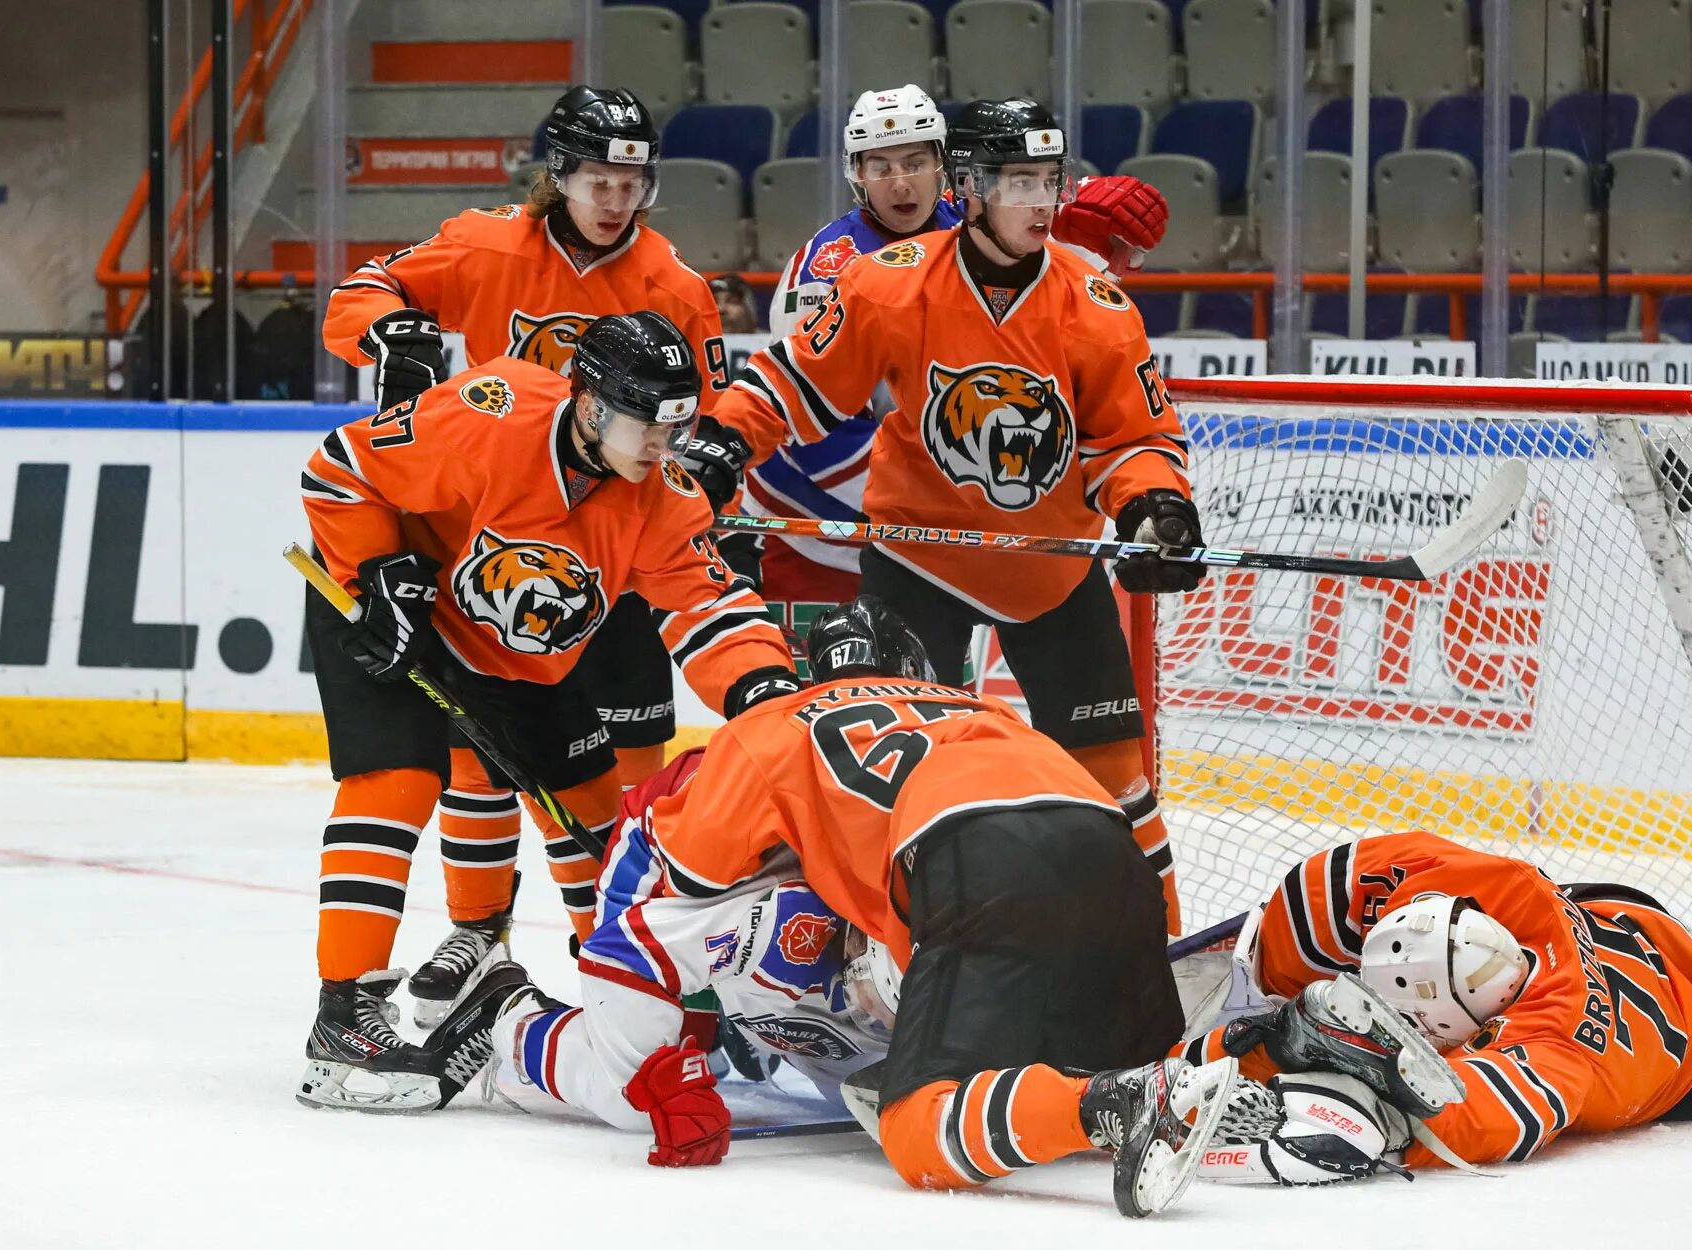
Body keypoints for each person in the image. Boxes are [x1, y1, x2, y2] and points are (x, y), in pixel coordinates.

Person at [426, 598, 1240, 1218]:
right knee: (657, 1062)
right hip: (1103, 861)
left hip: (956, 887)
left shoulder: (772, 729)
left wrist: (658, 1063)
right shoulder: (985, 711)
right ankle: (505, 1022)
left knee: (911, 1131)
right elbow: (652, 913)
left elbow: (644, 891)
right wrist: (669, 1044)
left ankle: (1099, 1103)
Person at [691, 97, 1197, 932]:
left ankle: (1160, 948)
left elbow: (1133, 436)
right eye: (1020, 183)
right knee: (887, 770)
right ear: (968, 186)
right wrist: (720, 444)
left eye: (1050, 181)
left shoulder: (1094, 303)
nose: (1043, 202)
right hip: (918, 558)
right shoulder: (891, 283)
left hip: (1049, 565)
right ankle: (873, 952)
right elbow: (794, 383)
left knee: (1117, 778)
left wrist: (1158, 510)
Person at [295, 313, 799, 1112]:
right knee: (398, 781)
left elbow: (710, 611)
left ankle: (633, 990)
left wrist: (763, 692)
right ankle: (342, 1019)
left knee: (601, 823)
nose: (667, 446)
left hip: (522, 651)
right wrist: (373, 572)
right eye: (651, 425)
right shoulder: (490, 414)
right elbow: (338, 468)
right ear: (594, 406)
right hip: (397, 611)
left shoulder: (663, 497)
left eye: (682, 425)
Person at [321, 85, 738, 1025]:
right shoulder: (482, 244)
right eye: (598, 177)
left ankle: (632, 952)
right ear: (560, 175)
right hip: (502, 535)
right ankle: (481, 934)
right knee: (478, 749)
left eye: (632, 179)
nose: (615, 197)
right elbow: (362, 293)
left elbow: (694, 423)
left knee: (618, 769)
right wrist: (388, 331)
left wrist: (711, 467)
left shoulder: (674, 285)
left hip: (616, 547)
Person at [724, 84, 1173, 635]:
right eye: (880, 164)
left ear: (947, 166)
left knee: (944, 711)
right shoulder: (825, 272)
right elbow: (812, 432)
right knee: (833, 712)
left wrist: (1093, 244)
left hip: (935, 529)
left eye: (915, 160)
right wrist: (962, 502)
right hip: (818, 531)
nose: (900, 182)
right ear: (856, 174)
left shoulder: (982, 228)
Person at [1186, 831, 1692, 1181]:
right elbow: (1317, 891)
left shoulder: (1555, 1054)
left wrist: (1290, 1066)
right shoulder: (1509, 888)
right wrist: (1276, 988)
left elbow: (1445, 1116)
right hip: (1632, 925)